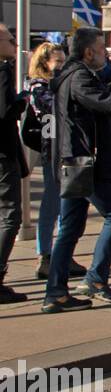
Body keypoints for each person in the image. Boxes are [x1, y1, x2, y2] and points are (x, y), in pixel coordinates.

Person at [42, 27, 111, 313]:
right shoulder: (78, 76)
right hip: (86, 163)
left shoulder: (74, 76)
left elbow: (97, 116)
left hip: (75, 161)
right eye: (103, 48)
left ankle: (56, 292)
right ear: (88, 52)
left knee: (71, 227)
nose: (106, 53)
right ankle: (95, 279)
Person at [25, 42, 86, 281]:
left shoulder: (60, 84)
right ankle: (45, 255)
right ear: (44, 63)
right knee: (51, 205)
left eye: (64, 61)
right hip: (52, 152)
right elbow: (52, 108)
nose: (62, 67)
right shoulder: (38, 87)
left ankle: (63, 253)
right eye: (57, 62)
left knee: (66, 207)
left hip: (67, 149)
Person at [0, 23, 30, 303]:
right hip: (2, 154)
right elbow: (4, 110)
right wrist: (22, 100)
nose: (14, 42)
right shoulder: (2, 70)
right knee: (11, 216)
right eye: (10, 39)